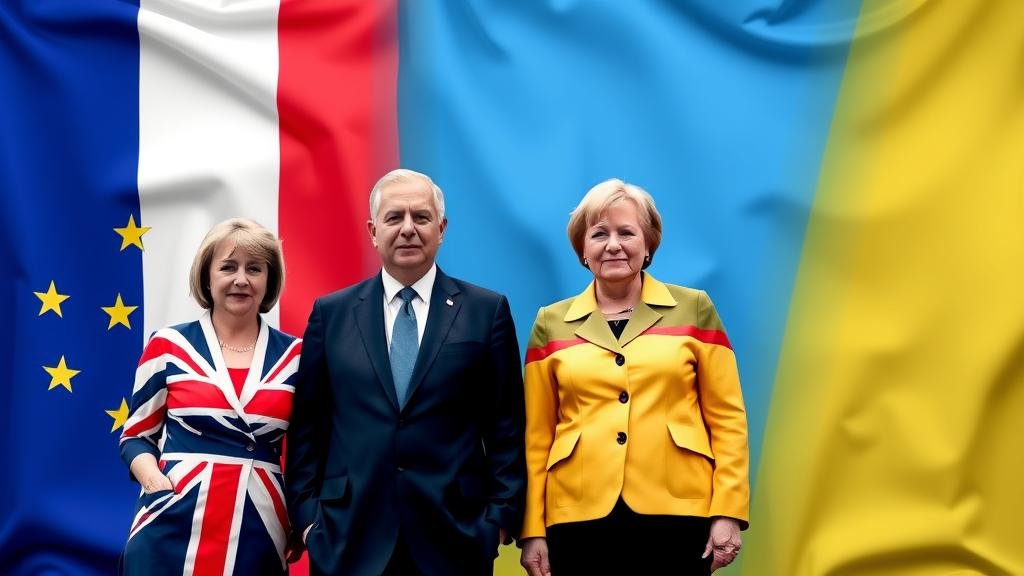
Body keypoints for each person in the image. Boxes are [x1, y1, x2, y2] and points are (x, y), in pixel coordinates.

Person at [285, 169, 526, 575]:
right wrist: (309, 522)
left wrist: (497, 521)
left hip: (456, 538)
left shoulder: (486, 312)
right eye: (395, 217)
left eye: (421, 217)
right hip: (348, 539)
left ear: (442, 228)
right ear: (373, 230)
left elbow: (506, 427)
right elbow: (309, 426)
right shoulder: (332, 314)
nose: (409, 229)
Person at [519, 179, 749, 575]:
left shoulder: (694, 309)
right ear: (583, 250)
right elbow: (537, 436)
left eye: (627, 232)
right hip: (576, 516)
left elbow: (727, 420)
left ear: (648, 246)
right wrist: (532, 530)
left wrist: (727, 511)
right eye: (599, 234)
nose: (613, 245)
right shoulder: (550, 323)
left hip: (679, 512)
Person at [118, 218, 302, 575]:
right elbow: (135, 437)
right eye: (228, 267)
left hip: (257, 527)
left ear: (269, 279)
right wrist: (156, 484)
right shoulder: (168, 346)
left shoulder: (297, 356)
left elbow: (308, 453)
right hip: (171, 521)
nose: (241, 279)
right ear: (207, 276)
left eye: (255, 268)